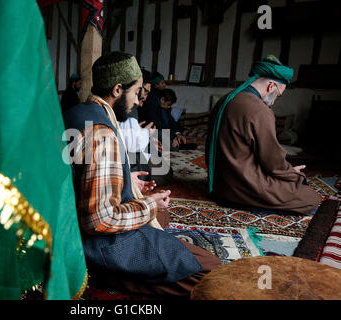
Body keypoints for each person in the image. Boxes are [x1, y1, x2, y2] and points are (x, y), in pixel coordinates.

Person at [63, 52, 220, 297]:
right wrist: (148, 205)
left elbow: (79, 176)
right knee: (210, 271)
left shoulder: (77, 112)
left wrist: (127, 181)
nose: (140, 102)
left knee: (163, 218)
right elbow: (100, 221)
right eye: (137, 93)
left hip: (70, 225)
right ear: (117, 89)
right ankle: (105, 275)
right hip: (95, 244)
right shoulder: (102, 134)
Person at [205, 55, 320, 215]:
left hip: (220, 184)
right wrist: (293, 173)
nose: (273, 102)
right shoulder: (259, 110)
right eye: (278, 95)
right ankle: (252, 204)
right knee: (310, 198)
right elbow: (272, 163)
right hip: (243, 185)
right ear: (271, 86)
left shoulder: (225, 100)